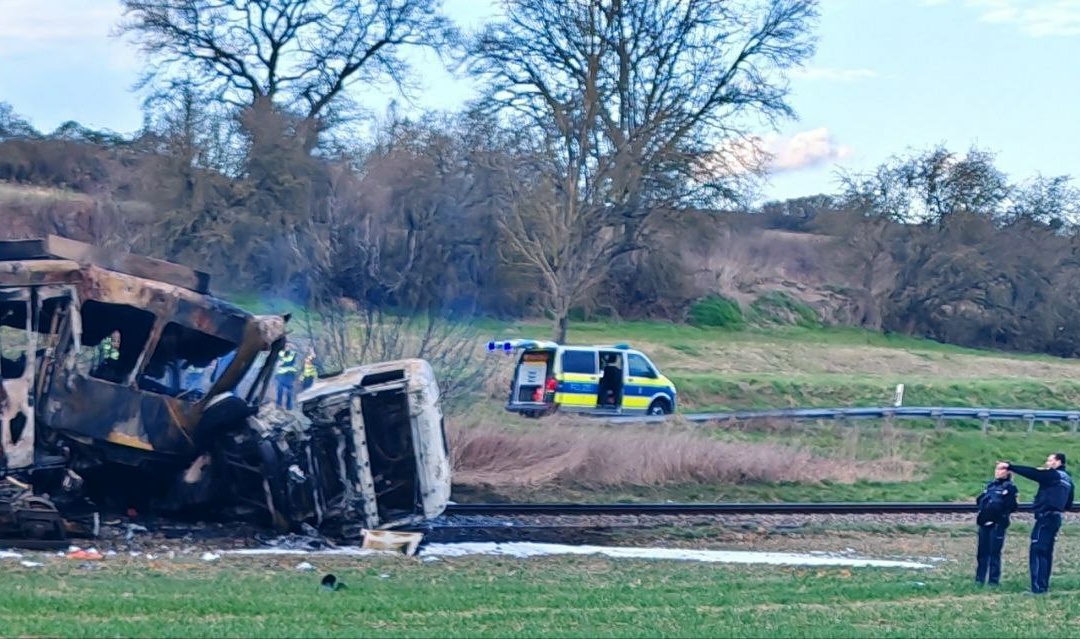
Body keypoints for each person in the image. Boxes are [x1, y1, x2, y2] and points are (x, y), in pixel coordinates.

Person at [999, 453, 1075, 594]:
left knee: (1038, 551)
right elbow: (1069, 504)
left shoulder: (1053, 475)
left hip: (1045, 518)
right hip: (1055, 518)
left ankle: (1038, 589)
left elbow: (1032, 473)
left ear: (1058, 462)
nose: (1047, 462)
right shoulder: (1068, 480)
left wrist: (1011, 467)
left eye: (1050, 460)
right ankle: (1043, 586)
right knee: (1047, 553)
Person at [974, 464, 1018, 586]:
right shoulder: (990, 486)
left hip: (997, 524)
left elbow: (1011, 506)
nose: (998, 472)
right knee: (982, 553)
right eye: (997, 469)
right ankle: (979, 579)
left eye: (1001, 469)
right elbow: (980, 501)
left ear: (1007, 472)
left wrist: (998, 517)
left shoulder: (1010, 488)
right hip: (984, 523)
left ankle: (993, 581)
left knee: (994, 553)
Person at [275, 343, 299, 410]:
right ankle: (278, 404)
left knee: (289, 390)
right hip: (281, 374)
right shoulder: (281, 353)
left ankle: (289, 406)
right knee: (280, 390)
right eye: (286, 346)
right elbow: (279, 362)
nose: (287, 347)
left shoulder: (292, 353)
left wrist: (281, 363)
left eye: (289, 346)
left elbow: (287, 360)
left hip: (289, 374)